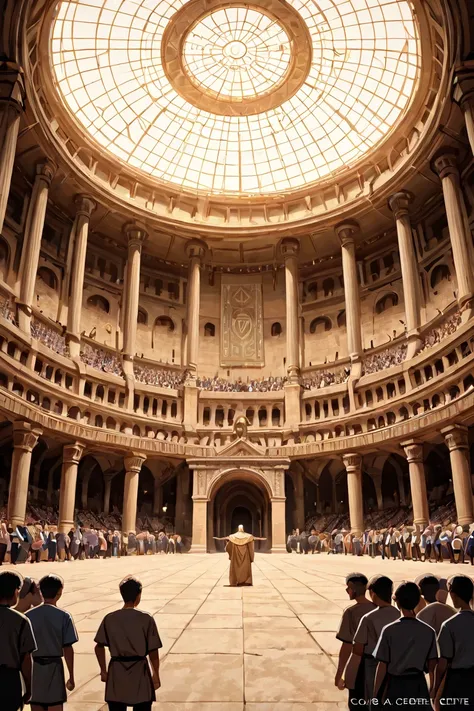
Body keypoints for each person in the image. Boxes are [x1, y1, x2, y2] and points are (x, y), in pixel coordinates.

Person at [94, 575, 162, 711]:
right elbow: (153, 651)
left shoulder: (110, 618)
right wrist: (156, 674)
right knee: (142, 705)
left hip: (117, 672)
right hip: (139, 671)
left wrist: (103, 670)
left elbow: (99, 646)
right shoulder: (146, 619)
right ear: (138, 595)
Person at [373, 581, 438, 707]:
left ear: (397, 602)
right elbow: (432, 666)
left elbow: (382, 665)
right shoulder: (429, 631)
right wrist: (432, 690)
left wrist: (376, 694)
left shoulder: (389, 630)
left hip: (395, 686)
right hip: (418, 685)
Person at [344, 575, 400, 704]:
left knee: (373, 699)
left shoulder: (368, 618)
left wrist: (349, 676)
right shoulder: (397, 613)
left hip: (372, 664)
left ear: (372, 593)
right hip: (395, 664)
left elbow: (357, 650)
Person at [26, 574, 78, 711]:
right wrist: (71, 676)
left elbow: (23, 650)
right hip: (55, 668)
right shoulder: (64, 616)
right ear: (59, 592)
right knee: (55, 704)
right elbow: (68, 648)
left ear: (41, 591)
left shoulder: (28, 616)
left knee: (36, 704)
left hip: (34, 669)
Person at [434, 575, 474, 711]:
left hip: (457, 682)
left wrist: (435, 691)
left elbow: (442, 665)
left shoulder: (449, 625)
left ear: (453, 595)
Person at [334, 573, 376, 699]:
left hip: (358, 666)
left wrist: (339, 674)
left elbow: (347, 645)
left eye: (348, 588)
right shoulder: (377, 608)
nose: (347, 591)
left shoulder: (350, 612)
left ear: (353, 589)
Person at [0, 570, 37, 711]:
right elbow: (26, 659)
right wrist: (28, 689)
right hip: (8, 681)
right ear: (15, 591)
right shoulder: (20, 620)